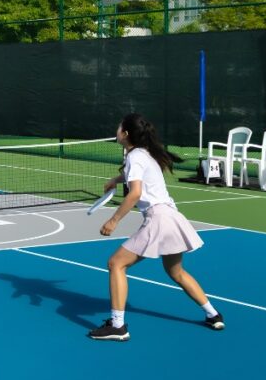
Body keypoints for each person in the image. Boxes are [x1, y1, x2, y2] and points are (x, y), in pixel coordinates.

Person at [89, 113, 224, 341]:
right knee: (176, 272)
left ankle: (118, 326)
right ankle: (213, 315)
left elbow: (136, 193)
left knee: (116, 264)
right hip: (173, 216)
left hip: (159, 219)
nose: (117, 129)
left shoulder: (135, 157)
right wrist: (115, 179)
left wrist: (113, 221)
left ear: (126, 134)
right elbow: (135, 175)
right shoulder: (146, 154)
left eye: (119, 126)